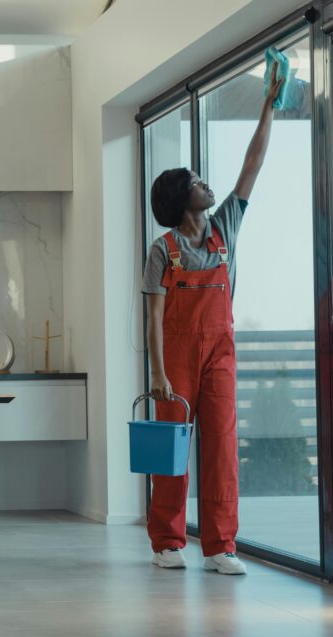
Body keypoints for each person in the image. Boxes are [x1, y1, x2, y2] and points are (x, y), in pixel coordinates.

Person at [140, 68, 282, 576]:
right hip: (174, 356)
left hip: (220, 349)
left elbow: (254, 162)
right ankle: (166, 541)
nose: (205, 184)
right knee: (172, 448)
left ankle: (221, 544)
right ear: (182, 200)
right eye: (195, 183)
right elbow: (153, 317)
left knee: (220, 444)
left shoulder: (225, 228)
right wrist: (157, 373)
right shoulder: (162, 250)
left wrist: (268, 104)